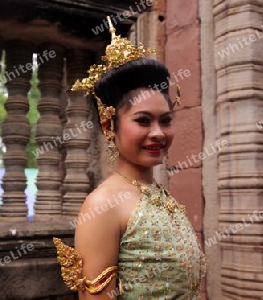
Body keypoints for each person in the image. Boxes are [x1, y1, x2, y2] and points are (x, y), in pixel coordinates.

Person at [53, 17, 206, 299]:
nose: (158, 133)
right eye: (143, 121)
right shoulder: (102, 205)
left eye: (166, 121)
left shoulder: (159, 195)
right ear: (110, 126)